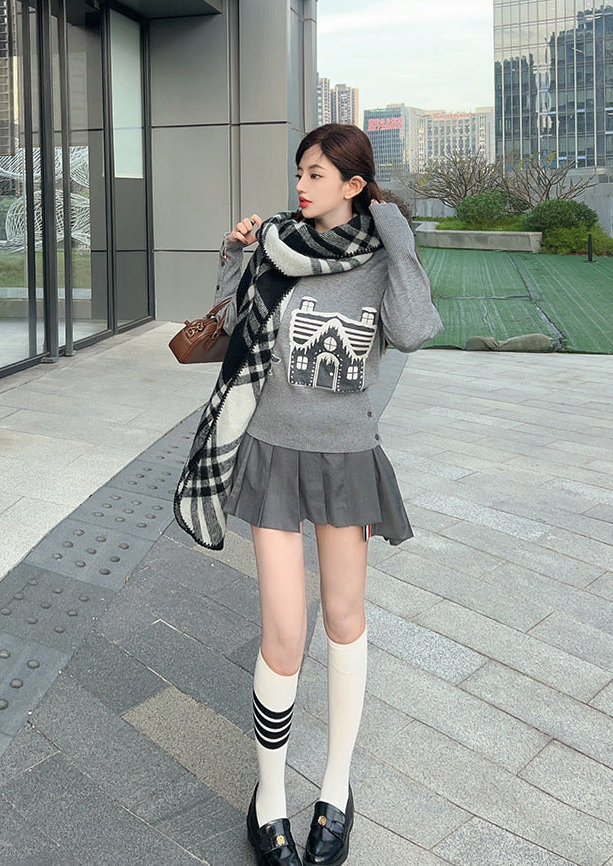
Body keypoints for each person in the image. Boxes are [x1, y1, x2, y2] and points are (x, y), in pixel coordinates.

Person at [174, 123, 443, 866]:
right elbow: (229, 326)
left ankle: (335, 789)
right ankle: (268, 799)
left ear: (354, 185)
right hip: (273, 452)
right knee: (286, 632)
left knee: (346, 620)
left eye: (316, 174)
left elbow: (414, 330)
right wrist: (234, 254)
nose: (300, 185)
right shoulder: (277, 245)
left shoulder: (380, 260)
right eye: (299, 172)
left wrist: (398, 239)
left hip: (346, 457)